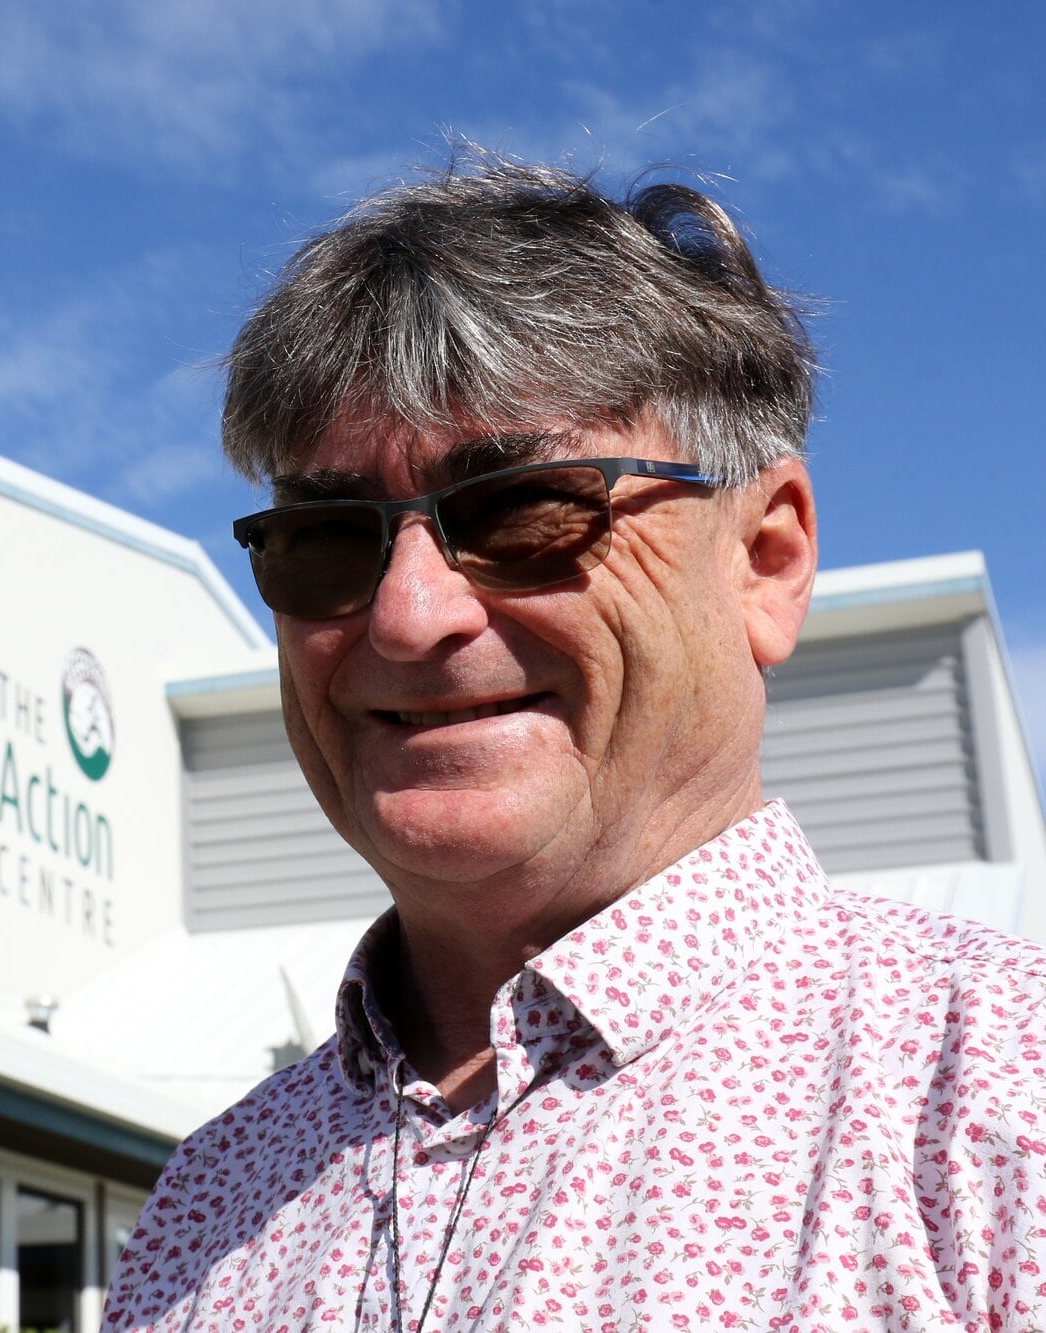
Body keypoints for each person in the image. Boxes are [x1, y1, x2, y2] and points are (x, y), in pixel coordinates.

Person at [102, 153, 1046, 1332]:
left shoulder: (1004, 1099)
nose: (408, 613)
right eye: (324, 540)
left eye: (524, 507)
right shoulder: (204, 1203)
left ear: (765, 560)